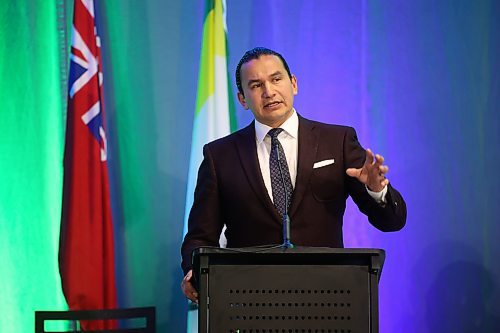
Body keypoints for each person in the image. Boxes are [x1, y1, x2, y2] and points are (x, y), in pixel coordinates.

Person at [181, 47, 407, 302]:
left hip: (327, 297)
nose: (269, 92)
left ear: (293, 83)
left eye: (276, 79)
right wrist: (193, 270)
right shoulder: (219, 155)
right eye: (256, 85)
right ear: (242, 99)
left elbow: (392, 221)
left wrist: (377, 191)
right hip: (249, 301)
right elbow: (200, 237)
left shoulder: (337, 140)